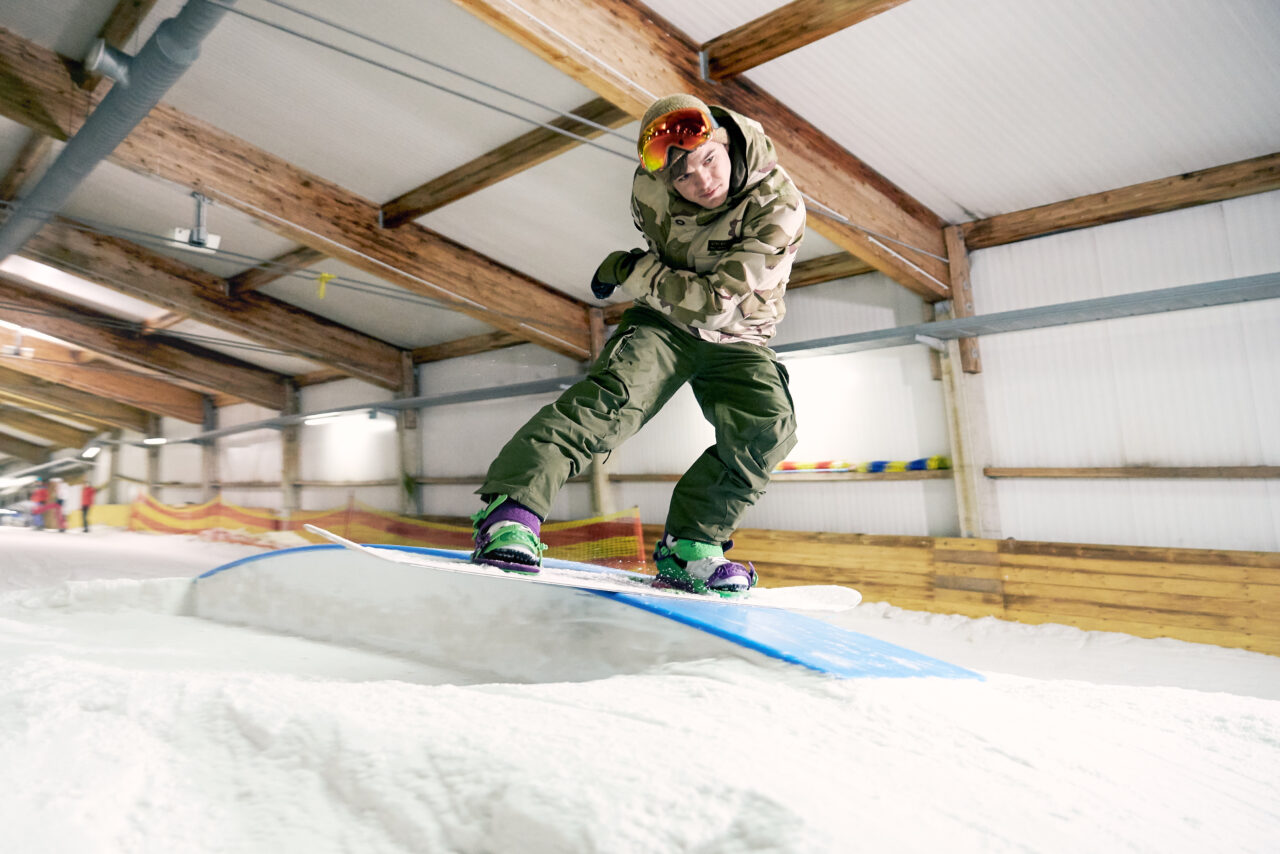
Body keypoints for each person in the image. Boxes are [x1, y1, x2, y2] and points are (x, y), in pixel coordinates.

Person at [470, 93, 806, 596]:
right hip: (664, 322)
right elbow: (664, 249)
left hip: (740, 334)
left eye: (709, 160)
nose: (703, 182)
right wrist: (645, 276)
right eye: (684, 176)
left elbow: (717, 304)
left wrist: (631, 271)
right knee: (611, 402)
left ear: (724, 141)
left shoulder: (778, 205)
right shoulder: (647, 190)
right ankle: (511, 514)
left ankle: (691, 547)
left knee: (767, 430)